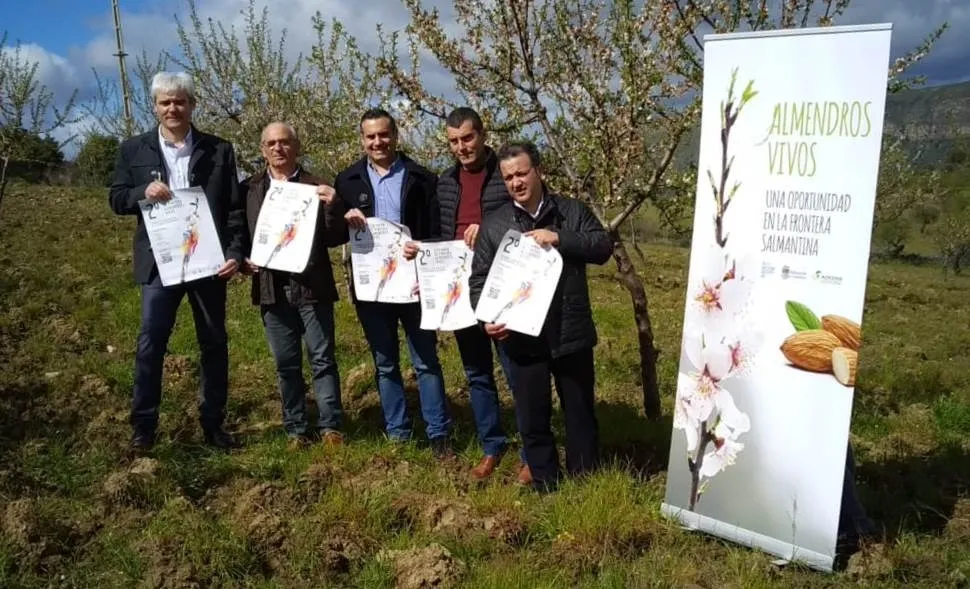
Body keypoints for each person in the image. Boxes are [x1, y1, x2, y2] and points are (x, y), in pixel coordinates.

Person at [109, 71, 245, 452]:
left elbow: (234, 209)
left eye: (180, 101)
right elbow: (116, 198)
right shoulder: (132, 150)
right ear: (154, 106)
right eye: (165, 102)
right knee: (151, 343)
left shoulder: (219, 149)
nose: (173, 108)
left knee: (214, 344)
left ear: (192, 105)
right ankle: (143, 427)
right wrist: (141, 191)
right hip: (159, 264)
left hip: (208, 263)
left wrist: (234, 254)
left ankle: (213, 423)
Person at [469, 141, 613, 491]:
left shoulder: (572, 212)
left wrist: (560, 237)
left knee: (579, 413)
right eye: (508, 178)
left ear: (539, 171)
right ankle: (546, 483)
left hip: (570, 333)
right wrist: (487, 319)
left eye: (522, 173)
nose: (516, 182)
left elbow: (602, 247)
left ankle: (584, 483)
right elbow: (478, 282)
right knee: (532, 417)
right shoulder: (495, 225)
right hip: (521, 338)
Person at [405, 107, 517, 481]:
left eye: (467, 138)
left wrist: (487, 229)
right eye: (454, 141)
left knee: (516, 368)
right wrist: (423, 256)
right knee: (476, 372)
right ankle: (492, 446)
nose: (461, 147)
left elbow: (524, 219)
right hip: (460, 290)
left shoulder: (506, 173)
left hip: (502, 286)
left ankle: (534, 448)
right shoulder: (447, 181)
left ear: (482, 135)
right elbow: (442, 233)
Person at [334, 108, 453, 457]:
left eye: (383, 135)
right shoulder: (347, 180)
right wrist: (344, 219)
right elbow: (336, 230)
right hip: (372, 288)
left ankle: (438, 434)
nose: (378, 142)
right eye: (370, 136)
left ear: (395, 135)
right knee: (385, 363)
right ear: (362, 140)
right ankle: (398, 433)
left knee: (426, 360)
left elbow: (437, 231)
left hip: (414, 285)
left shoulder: (422, 178)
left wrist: (425, 249)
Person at [241, 122, 346, 448]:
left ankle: (331, 428)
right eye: (271, 143)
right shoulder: (249, 189)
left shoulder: (316, 186)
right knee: (286, 364)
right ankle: (296, 430)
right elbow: (240, 234)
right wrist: (243, 258)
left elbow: (335, 237)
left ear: (296, 146)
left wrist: (334, 206)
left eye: (285, 142)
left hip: (311, 286)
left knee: (322, 358)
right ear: (262, 150)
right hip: (271, 289)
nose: (278, 149)